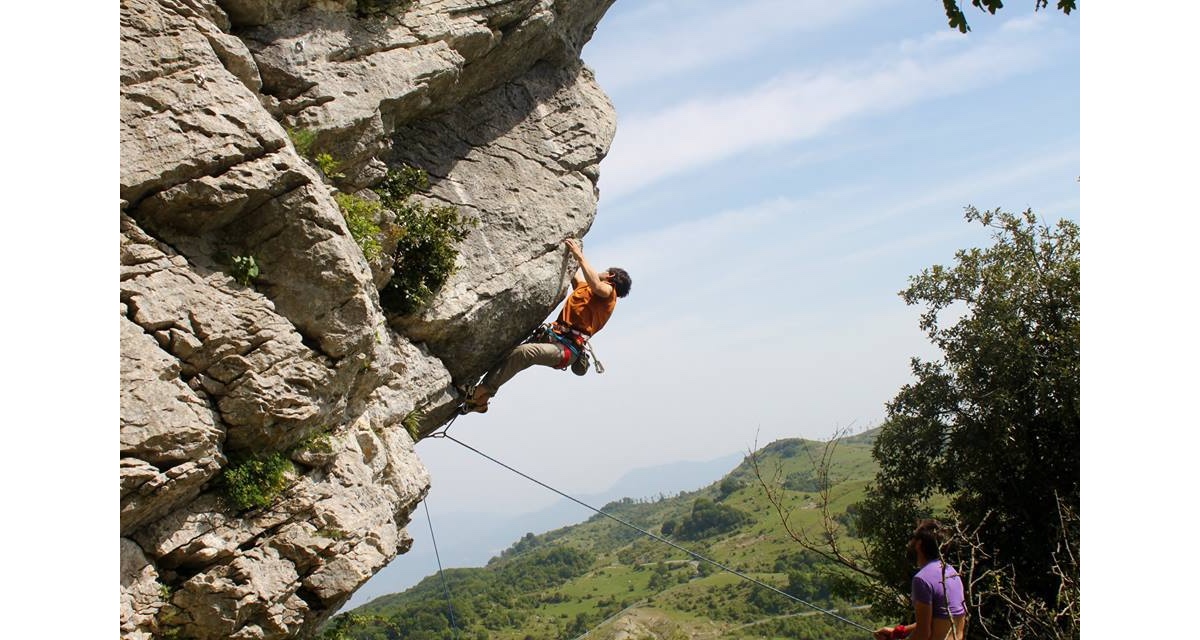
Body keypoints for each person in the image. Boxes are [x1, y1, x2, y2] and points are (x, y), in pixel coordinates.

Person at [459, 238, 631, 414]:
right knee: (511, 354)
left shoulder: (610, 293)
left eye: (604, 272)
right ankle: (481, 402)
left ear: (610, 277)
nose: (600, 272)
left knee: (524, 353)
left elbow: (596, 284)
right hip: (553, 336)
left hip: (567, 348)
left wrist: (580, 256)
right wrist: (566, 252)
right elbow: (576, 276)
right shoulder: (585, 289)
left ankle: (479, 392)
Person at [874, 519, 968, 640]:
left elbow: (923, 634)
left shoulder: (922, 580)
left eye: (913, 538)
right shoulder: (951, 571)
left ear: (919, 543)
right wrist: (900, 632)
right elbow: (938, 620)